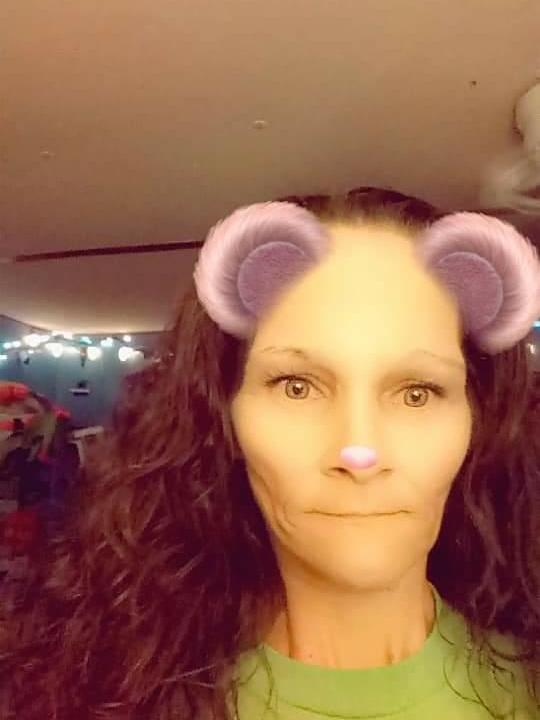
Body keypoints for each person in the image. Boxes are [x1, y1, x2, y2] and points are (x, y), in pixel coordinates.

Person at [0, 194, 539, 719]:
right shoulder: (99, 691)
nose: (360, 451)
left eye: (417, 392)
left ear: (478, 420)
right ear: (223, 416)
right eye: (297, 387)